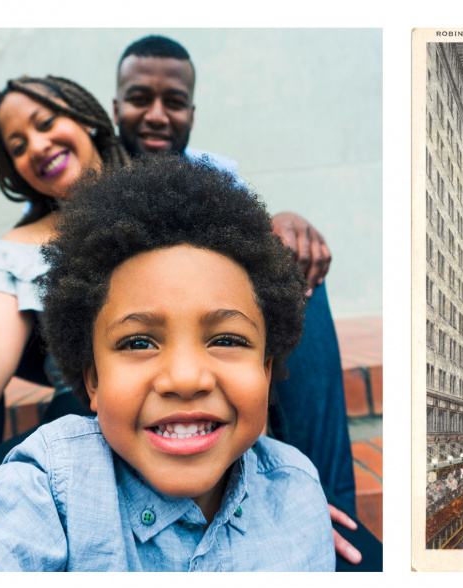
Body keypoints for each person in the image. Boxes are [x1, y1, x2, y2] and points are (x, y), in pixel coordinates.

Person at [0, 155, 334, 571]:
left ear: (266, 372)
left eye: (227, 339)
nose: (184, 378)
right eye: (139, 342)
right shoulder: (49, 488)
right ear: (93, 381)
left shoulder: (297, 493)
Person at [112, 35, 357, 519]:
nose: (158, 115)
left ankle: (332, 510)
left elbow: (254, 245)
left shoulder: (215, 175)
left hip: (210, 335)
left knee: (293, 267)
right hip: (130, 350)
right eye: (141, 99)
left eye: (174, 102)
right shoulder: (92, 171)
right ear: (117, 106)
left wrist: (285, 222)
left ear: (192, 113)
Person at [0, 76, 130, 451]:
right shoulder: (13, 255)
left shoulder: (174, 195)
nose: (37, 146)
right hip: (79, 443)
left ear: (84, 117)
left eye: (45, 123)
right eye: (18, 147)